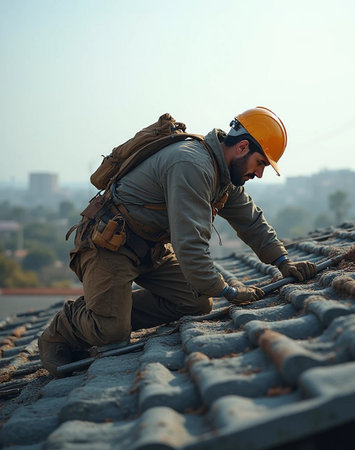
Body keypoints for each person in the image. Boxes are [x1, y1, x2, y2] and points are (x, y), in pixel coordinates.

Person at [38, 106, 317, 376]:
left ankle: (112, 310)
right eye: (260, 163)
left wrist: (283, 262)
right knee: (111, 332)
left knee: (195, 301)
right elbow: (190, 246)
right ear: (242, 147)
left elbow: (251, 221)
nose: (259, 174)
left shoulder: (225, 175)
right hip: (110, 247)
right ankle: (66, 326)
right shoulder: (192, 164)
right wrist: (229, 292)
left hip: (151, 249)